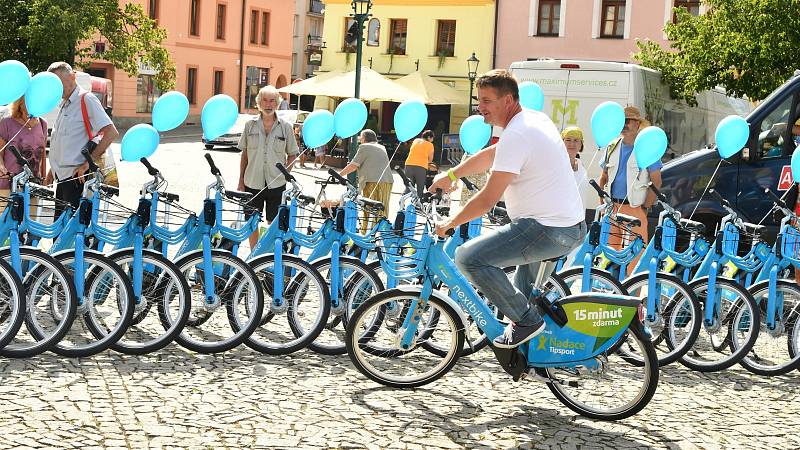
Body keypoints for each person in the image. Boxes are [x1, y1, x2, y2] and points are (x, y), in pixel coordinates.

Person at [430, 70, 586, 348]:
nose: (481, 108)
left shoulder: (518, 134)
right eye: (479, 100)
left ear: (509, 100)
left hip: (546, 229)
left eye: (488, 101)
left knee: (468, 257)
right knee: (520, 296)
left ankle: (528, 322)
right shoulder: (533, 119)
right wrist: (451, 175)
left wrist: (449, 223)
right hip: (565, 226)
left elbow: (488, 199)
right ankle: (537, 357)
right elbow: (493, 155)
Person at [46, 62, 119, 216]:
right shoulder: (65, 104)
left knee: (74, 234)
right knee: (60, 234)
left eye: (59, 82)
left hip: (77, 179)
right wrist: (52, 170)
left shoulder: (86, 99)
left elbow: (111, 132)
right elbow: (63, 142)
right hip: (62, 179)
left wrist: (88, 163)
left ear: (72, 76)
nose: (56, 88)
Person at [597, 106, 663, 274]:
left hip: (635, 208)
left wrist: (644, 208)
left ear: (637, 124)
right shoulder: (612, 146)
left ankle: (633, 297)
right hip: (613, 208)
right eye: (622, 122)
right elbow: (603, 177)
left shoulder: (647, 146)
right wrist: (602, 203)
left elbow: (657, 182)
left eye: (628, 121)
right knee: (609, 256)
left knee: (636, 259)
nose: (624, 125)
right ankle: (609, 292)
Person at [237, 85, 298, 249]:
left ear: (277, 103)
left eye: (272, 100)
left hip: (276, 184)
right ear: (259, 103)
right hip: (252, 182)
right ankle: (253, 256)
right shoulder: (249, 125)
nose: (268, 104)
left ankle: (269, 257)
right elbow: (245, 154)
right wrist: (241, 181)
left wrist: (286, 175)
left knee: (274, 223)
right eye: (265, 100)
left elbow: (293, 154)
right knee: (251, 221)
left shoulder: (286, 127)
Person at [339, 129, 394, 233]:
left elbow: (354, 165)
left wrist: (339, 175)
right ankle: (382, 232)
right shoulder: (381, 147)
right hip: (387, 181)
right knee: (382, 209)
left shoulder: (364, 147)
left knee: (369, 208)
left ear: (364, 138)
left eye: (361, 137)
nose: (360, 140)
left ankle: (366, 233)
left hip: (372, 181)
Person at [0, 96, 48, 201]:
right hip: (8, 186)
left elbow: (43, 155)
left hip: (33, 187)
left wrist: (44, 180)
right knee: (6, 217)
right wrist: (1, 167)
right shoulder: (6, 122)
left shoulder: (43, 124)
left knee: (30, 217)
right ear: (21, 102)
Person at [561, 126, 594, 225]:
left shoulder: (580, 164)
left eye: (576, 140)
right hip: (559, 222)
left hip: (578, 221)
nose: (572, 144)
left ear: (581, 144)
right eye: (568, 140)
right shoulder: (557, 164)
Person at [404, 130, 435, 197]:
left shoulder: (415, 140)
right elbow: (430, 159)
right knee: (420, 188)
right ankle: (418, 204)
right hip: (421, 167)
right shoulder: (430, 145)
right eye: (432, 138)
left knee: (409, 186)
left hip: (408, 164)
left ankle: (403, 203)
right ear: (429, 137)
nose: (432, 140)